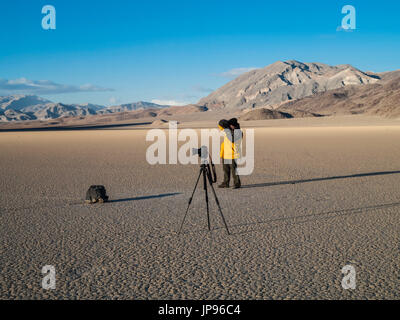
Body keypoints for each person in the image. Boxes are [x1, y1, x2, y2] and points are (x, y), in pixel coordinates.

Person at [218, 118, 242, 189]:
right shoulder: (229, 131)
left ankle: (237, 183)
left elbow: (232, 140)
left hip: (232, 155)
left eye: (230, 125)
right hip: (226, 154)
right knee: (226, 170)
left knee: (234, 170)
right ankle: (226, 182)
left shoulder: (238, 132)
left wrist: (228, 130)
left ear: (233, 125)